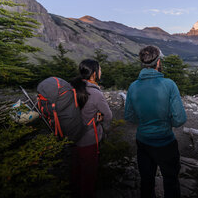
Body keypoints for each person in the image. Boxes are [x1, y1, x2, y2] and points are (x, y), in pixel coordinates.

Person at [124, 46, 187, 198]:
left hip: (143, 142)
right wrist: (165, 122)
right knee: (171, 182)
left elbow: (130, 117)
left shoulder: (133, 87)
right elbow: (180, 119)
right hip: (165, 142)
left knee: (146, 182)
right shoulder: (169, 84)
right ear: (158, 63)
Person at [71, 59, 113, 198]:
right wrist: (101, 124)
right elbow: (108, 115)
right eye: (100, 69)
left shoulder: (74, 87)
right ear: (94, 74)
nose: (101, 72)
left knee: (77, 174)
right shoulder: (95, 93)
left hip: (72, 138)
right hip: (89, 141)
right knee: (88, 178)